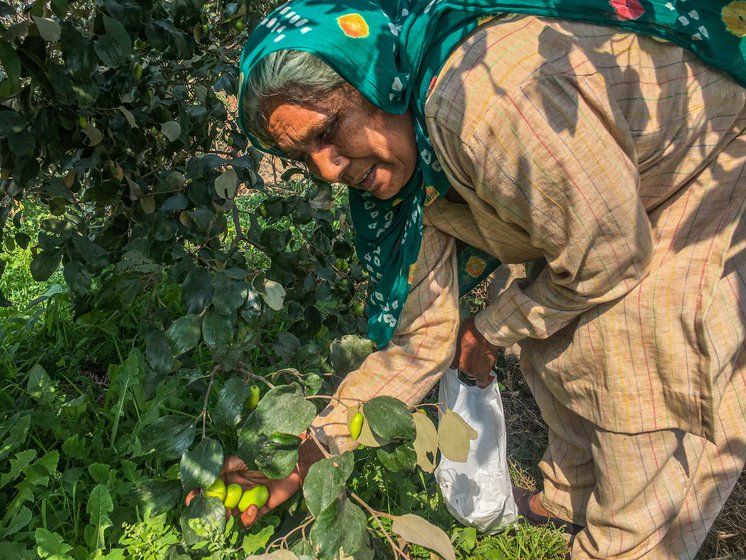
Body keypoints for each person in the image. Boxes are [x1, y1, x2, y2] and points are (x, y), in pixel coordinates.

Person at [215, 0, 746, 558]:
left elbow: (607, 258)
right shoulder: (409, 160)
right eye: (303, 156)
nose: (327, 170)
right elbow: (420, 341)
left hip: (705, 172)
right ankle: (571, 497)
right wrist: (307, 459)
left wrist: (490, 329)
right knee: (559, 340)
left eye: (329, 131)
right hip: (607, 202)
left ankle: (632, 538)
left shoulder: (484, 104)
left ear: (374, 79)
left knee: (646, 378)